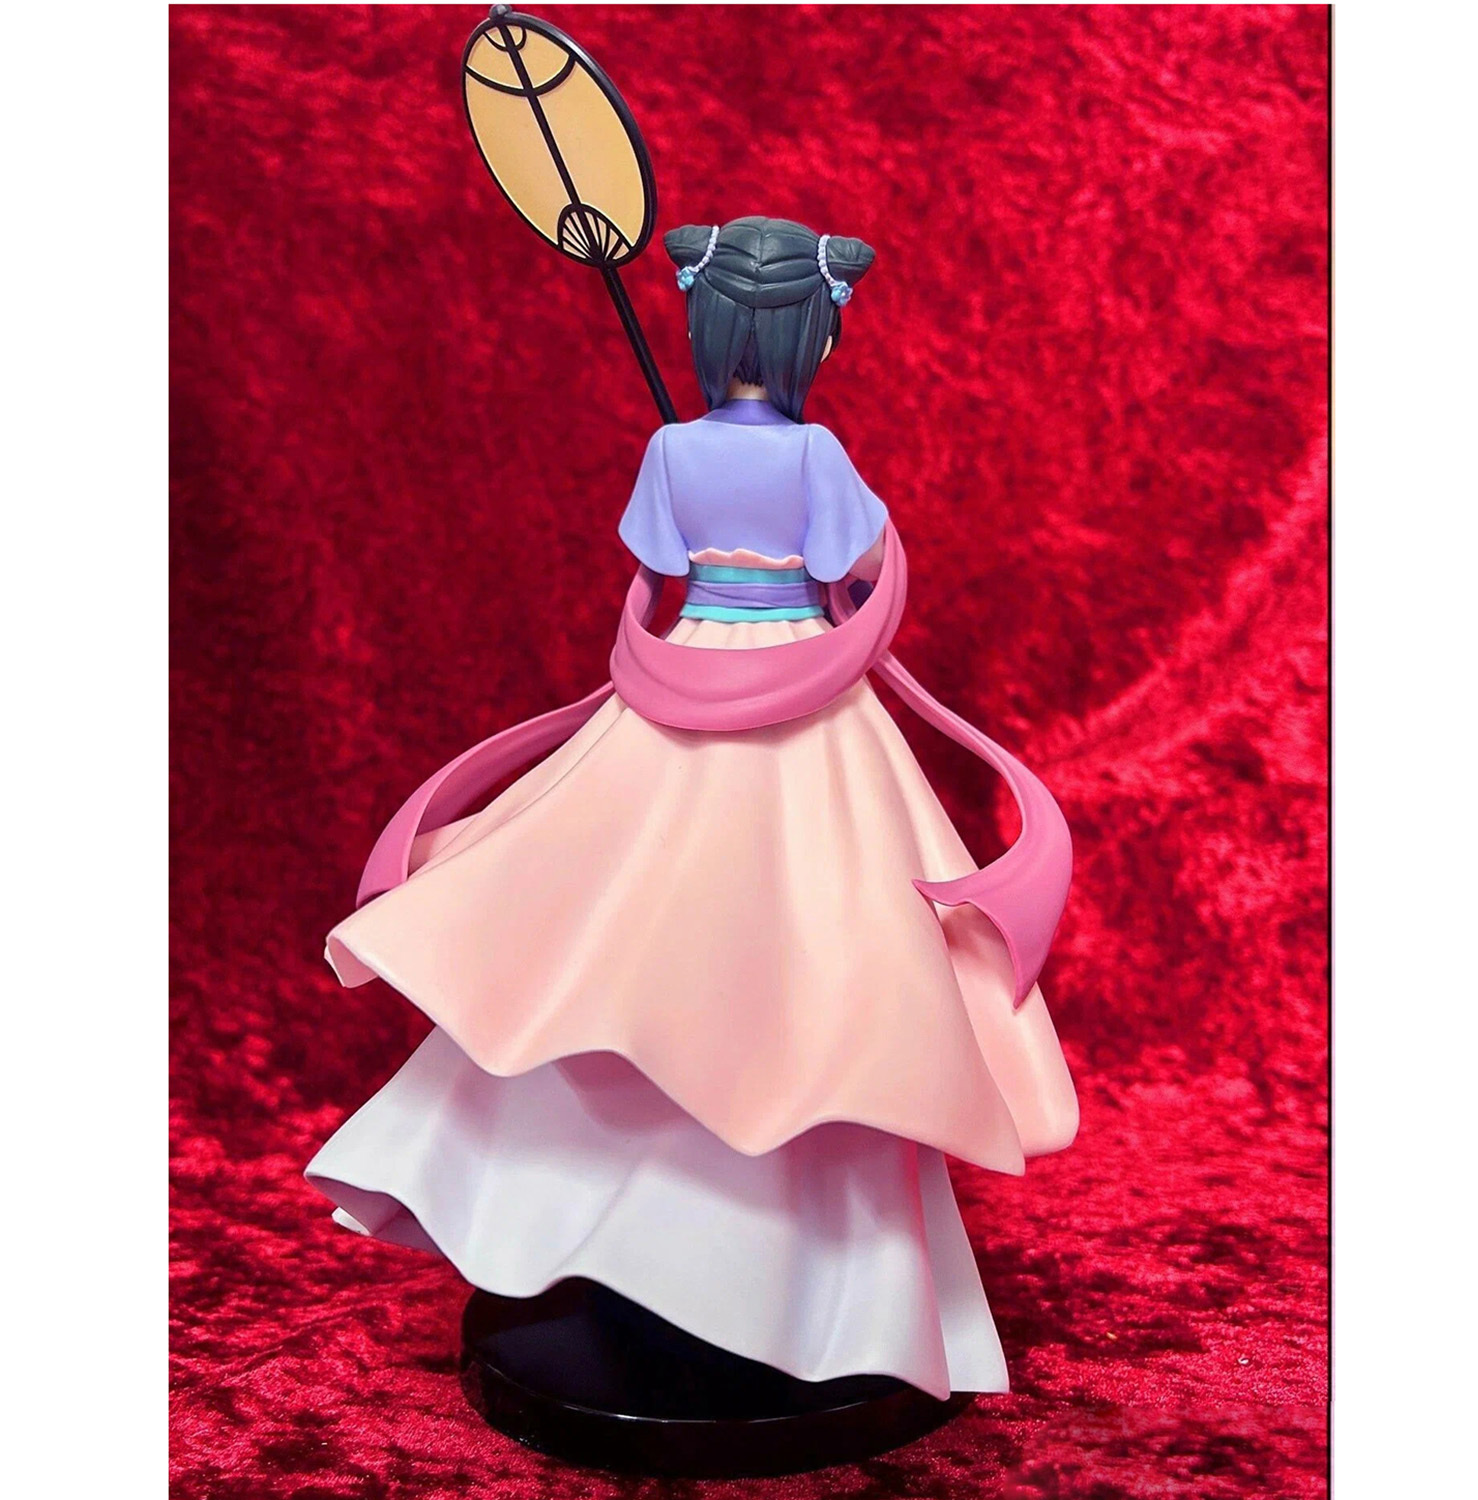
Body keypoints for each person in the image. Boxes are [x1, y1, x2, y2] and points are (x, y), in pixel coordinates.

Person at [306, 216, 1078, 1400]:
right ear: (813, 334)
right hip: (803, 692)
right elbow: (856, 565)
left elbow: (660, 565)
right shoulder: (817, 454)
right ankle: (770, 1260)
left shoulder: (672, 448)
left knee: (627, 915)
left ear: (709, 330)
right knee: (813, 941)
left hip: (686, 674)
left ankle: (649, 1218)